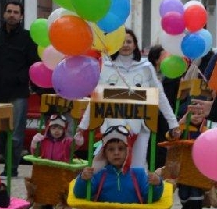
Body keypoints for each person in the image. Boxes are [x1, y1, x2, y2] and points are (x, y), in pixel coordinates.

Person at [76, 30, 180, 168]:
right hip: (112, 124)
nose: (125, 45)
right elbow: (97, 97)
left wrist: (173, 123)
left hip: (141, 125)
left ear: (135, 45)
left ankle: (137, 188)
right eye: (121, 42)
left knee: (137, 166)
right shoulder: (107, 67)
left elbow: (160, 95)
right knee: (112, 165)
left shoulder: (146, 67)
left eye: (129, 41)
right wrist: (83, 125)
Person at [0, 1, 39, 177]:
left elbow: (32, 64)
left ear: (21, 16)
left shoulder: (28, 37)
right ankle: (0, 165)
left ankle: (11, 169)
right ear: (4, 14)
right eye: (9, 11)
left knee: (15, 134)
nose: (12, 14)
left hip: (17, 93)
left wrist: (21, 79)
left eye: (15, 12)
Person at [30, 114, 83, 209]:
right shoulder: (44, 140)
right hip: (47, 173)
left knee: (61, 196)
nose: (56, 131)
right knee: (47, 195)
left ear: (64, 129)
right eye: (54, 128)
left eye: (59, 128)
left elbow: (75, 146)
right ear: (49, 128)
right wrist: (35, 144)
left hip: (61, 173)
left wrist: (78, 140)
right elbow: (36, 154)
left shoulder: (67, 141)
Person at [175, 98, 213, 209]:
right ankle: (186, 206)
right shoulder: (183, 129)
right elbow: (170, 136)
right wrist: (181, 122)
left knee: (197, 191)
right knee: (184, 193)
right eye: (193, 113)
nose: (196, 117)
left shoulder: (206, 130)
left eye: (199, 113)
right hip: (185, 166)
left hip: (198, 167)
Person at [146, 44, 182, 166]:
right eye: (165, 56)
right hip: (151, 118)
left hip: (164, 118)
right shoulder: (148, 75)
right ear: (156, 60)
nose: (169, 58)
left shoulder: (171, 77)